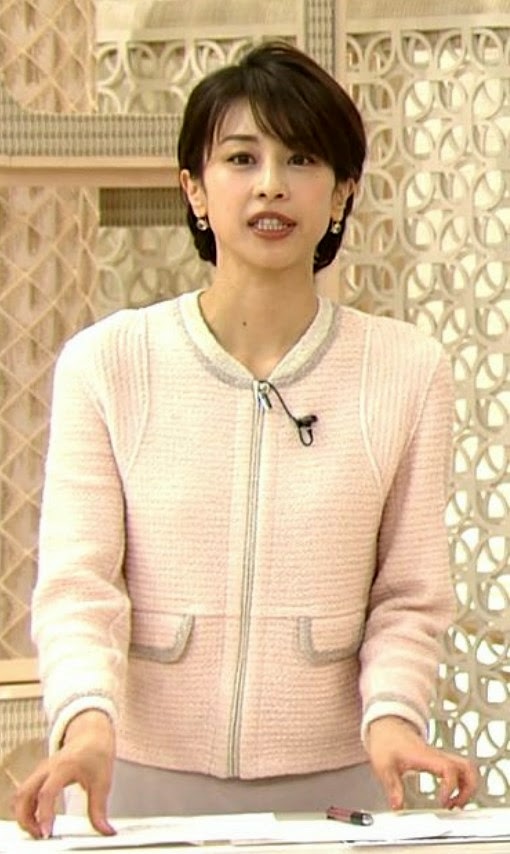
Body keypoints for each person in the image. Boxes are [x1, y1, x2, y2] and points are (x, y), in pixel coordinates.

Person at [14, 41, 477, 840]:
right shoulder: (108, 363)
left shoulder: (406, 370)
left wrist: (395, 718)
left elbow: (409, 595)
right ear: (194, 189)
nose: (270, 184)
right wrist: (85, 723)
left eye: (301, 158)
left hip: (340, 784)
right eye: (240, 158)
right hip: (140, 781)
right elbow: (79, 588)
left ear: (342, 192)